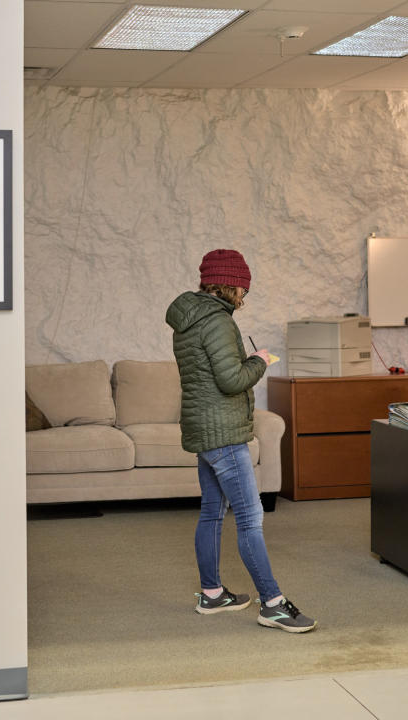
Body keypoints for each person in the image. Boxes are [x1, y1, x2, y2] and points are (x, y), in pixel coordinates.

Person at [165, 249, 316, 633]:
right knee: (250, 519)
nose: (243, 298)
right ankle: (273, 604)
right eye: (242, 289)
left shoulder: (188, 318)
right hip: (225, 434)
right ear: (229, 285)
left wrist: (244, 360)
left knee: (212, 512)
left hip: (205, 428)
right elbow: (231, 381)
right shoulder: (216, 322)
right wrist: (260, 361)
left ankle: (212, 593)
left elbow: (213, 373)